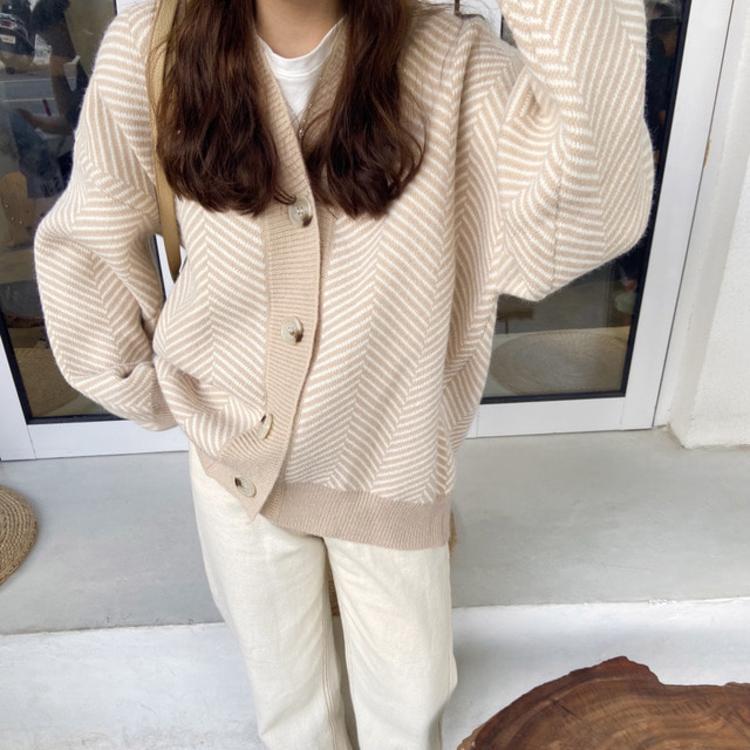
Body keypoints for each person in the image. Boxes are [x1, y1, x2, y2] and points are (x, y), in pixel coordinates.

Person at [32, 0, 655, 747]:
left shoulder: (453, 64)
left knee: (408, 707)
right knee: (290, 709)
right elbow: (91, 237)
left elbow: (582, 217)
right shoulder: (153, 47)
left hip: (387, 468)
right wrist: (141, 382)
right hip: (234, 467)